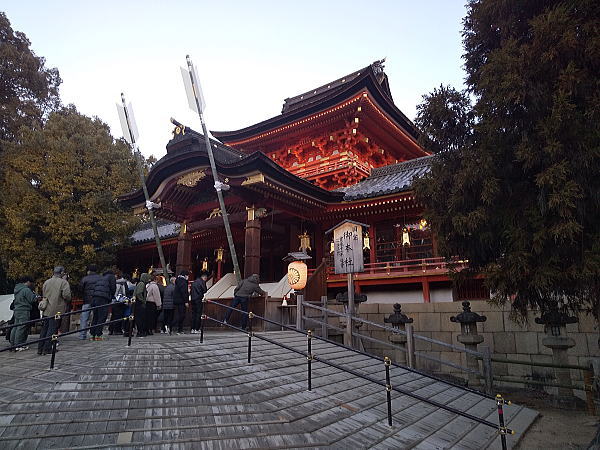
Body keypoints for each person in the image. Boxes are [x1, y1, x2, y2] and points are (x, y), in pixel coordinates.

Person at [39, 267, 71, 355]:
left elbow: (44, 294)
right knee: (53, 329)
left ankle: (40, 348)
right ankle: (47, 348)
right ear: (62, 272)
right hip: (57, 308)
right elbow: (67, 295)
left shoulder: (46, 282)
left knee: (44, 328)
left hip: (46, 308)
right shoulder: (63, 282)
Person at [9, 276, 39, 351]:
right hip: (24, 310)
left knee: (15, 327)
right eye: (31, 282)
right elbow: (32, 299)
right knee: (22, 328)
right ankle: (19, 345)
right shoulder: (26, 290)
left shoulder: (17, 289)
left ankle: (13, 344)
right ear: (28, 282)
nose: (31, 284)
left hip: (17, 310)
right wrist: (37, 296)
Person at [89, 269, 116, 341]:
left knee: (96, 316)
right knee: (102, 316)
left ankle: (92, 334)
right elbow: (113, 288)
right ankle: (98, 334)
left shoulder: (101, 277)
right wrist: (111, 297)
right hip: (103, 298)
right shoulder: (111, 277)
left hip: (95, 297)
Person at [79, 265, 101, 340]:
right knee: (96, 317)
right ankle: (95, 333)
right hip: (97, 300)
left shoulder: (85, 279)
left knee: (84, 318)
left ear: (89, 271)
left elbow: (80, 289)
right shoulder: (100, 278)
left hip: (87, 300)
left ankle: (82, 335)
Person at [109, 271, 128, 336]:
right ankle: (117, 330)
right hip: (120, 300)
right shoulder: (123, 283)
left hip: (114, 300)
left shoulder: (114, 282)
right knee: (119, 316)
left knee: (114, 315)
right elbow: (125, 292)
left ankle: (111, 330)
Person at [134, 273, 150, 337]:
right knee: (140, 318)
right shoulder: (142, 284)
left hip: (138, 303)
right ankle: (141, 331)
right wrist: (143, 300)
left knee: (140, 318)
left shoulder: (140, 283)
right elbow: (139, 293)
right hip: (139, 303)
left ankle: (140, 331)